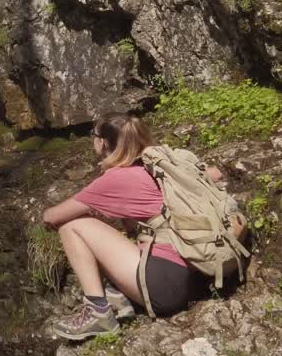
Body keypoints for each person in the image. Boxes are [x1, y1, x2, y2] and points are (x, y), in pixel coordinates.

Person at [41, 112, 210, 340]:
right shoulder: (157, 167)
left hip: (165, 285)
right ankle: (119, 296)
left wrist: (82, 209)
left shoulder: (117, 179)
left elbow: (52, 217)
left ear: (102, 142)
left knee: (71, 226)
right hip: (198, 274)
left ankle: (97, 311)